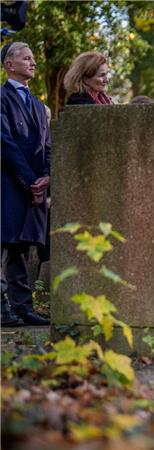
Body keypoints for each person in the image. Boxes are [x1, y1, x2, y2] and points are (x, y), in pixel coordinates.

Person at [1, 42, 51, 326]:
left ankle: (22, 307)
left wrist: (46, 176)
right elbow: (4, 142)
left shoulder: (37, 104)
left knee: (21, 246)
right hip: (8, 183)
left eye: (33, 58)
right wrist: (29, 180)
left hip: (34, 187)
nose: (33, 62)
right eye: (26, 58)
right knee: (4, 242)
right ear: (9, 64)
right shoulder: (1, 98)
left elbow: (46, 145)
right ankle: (1, 307)